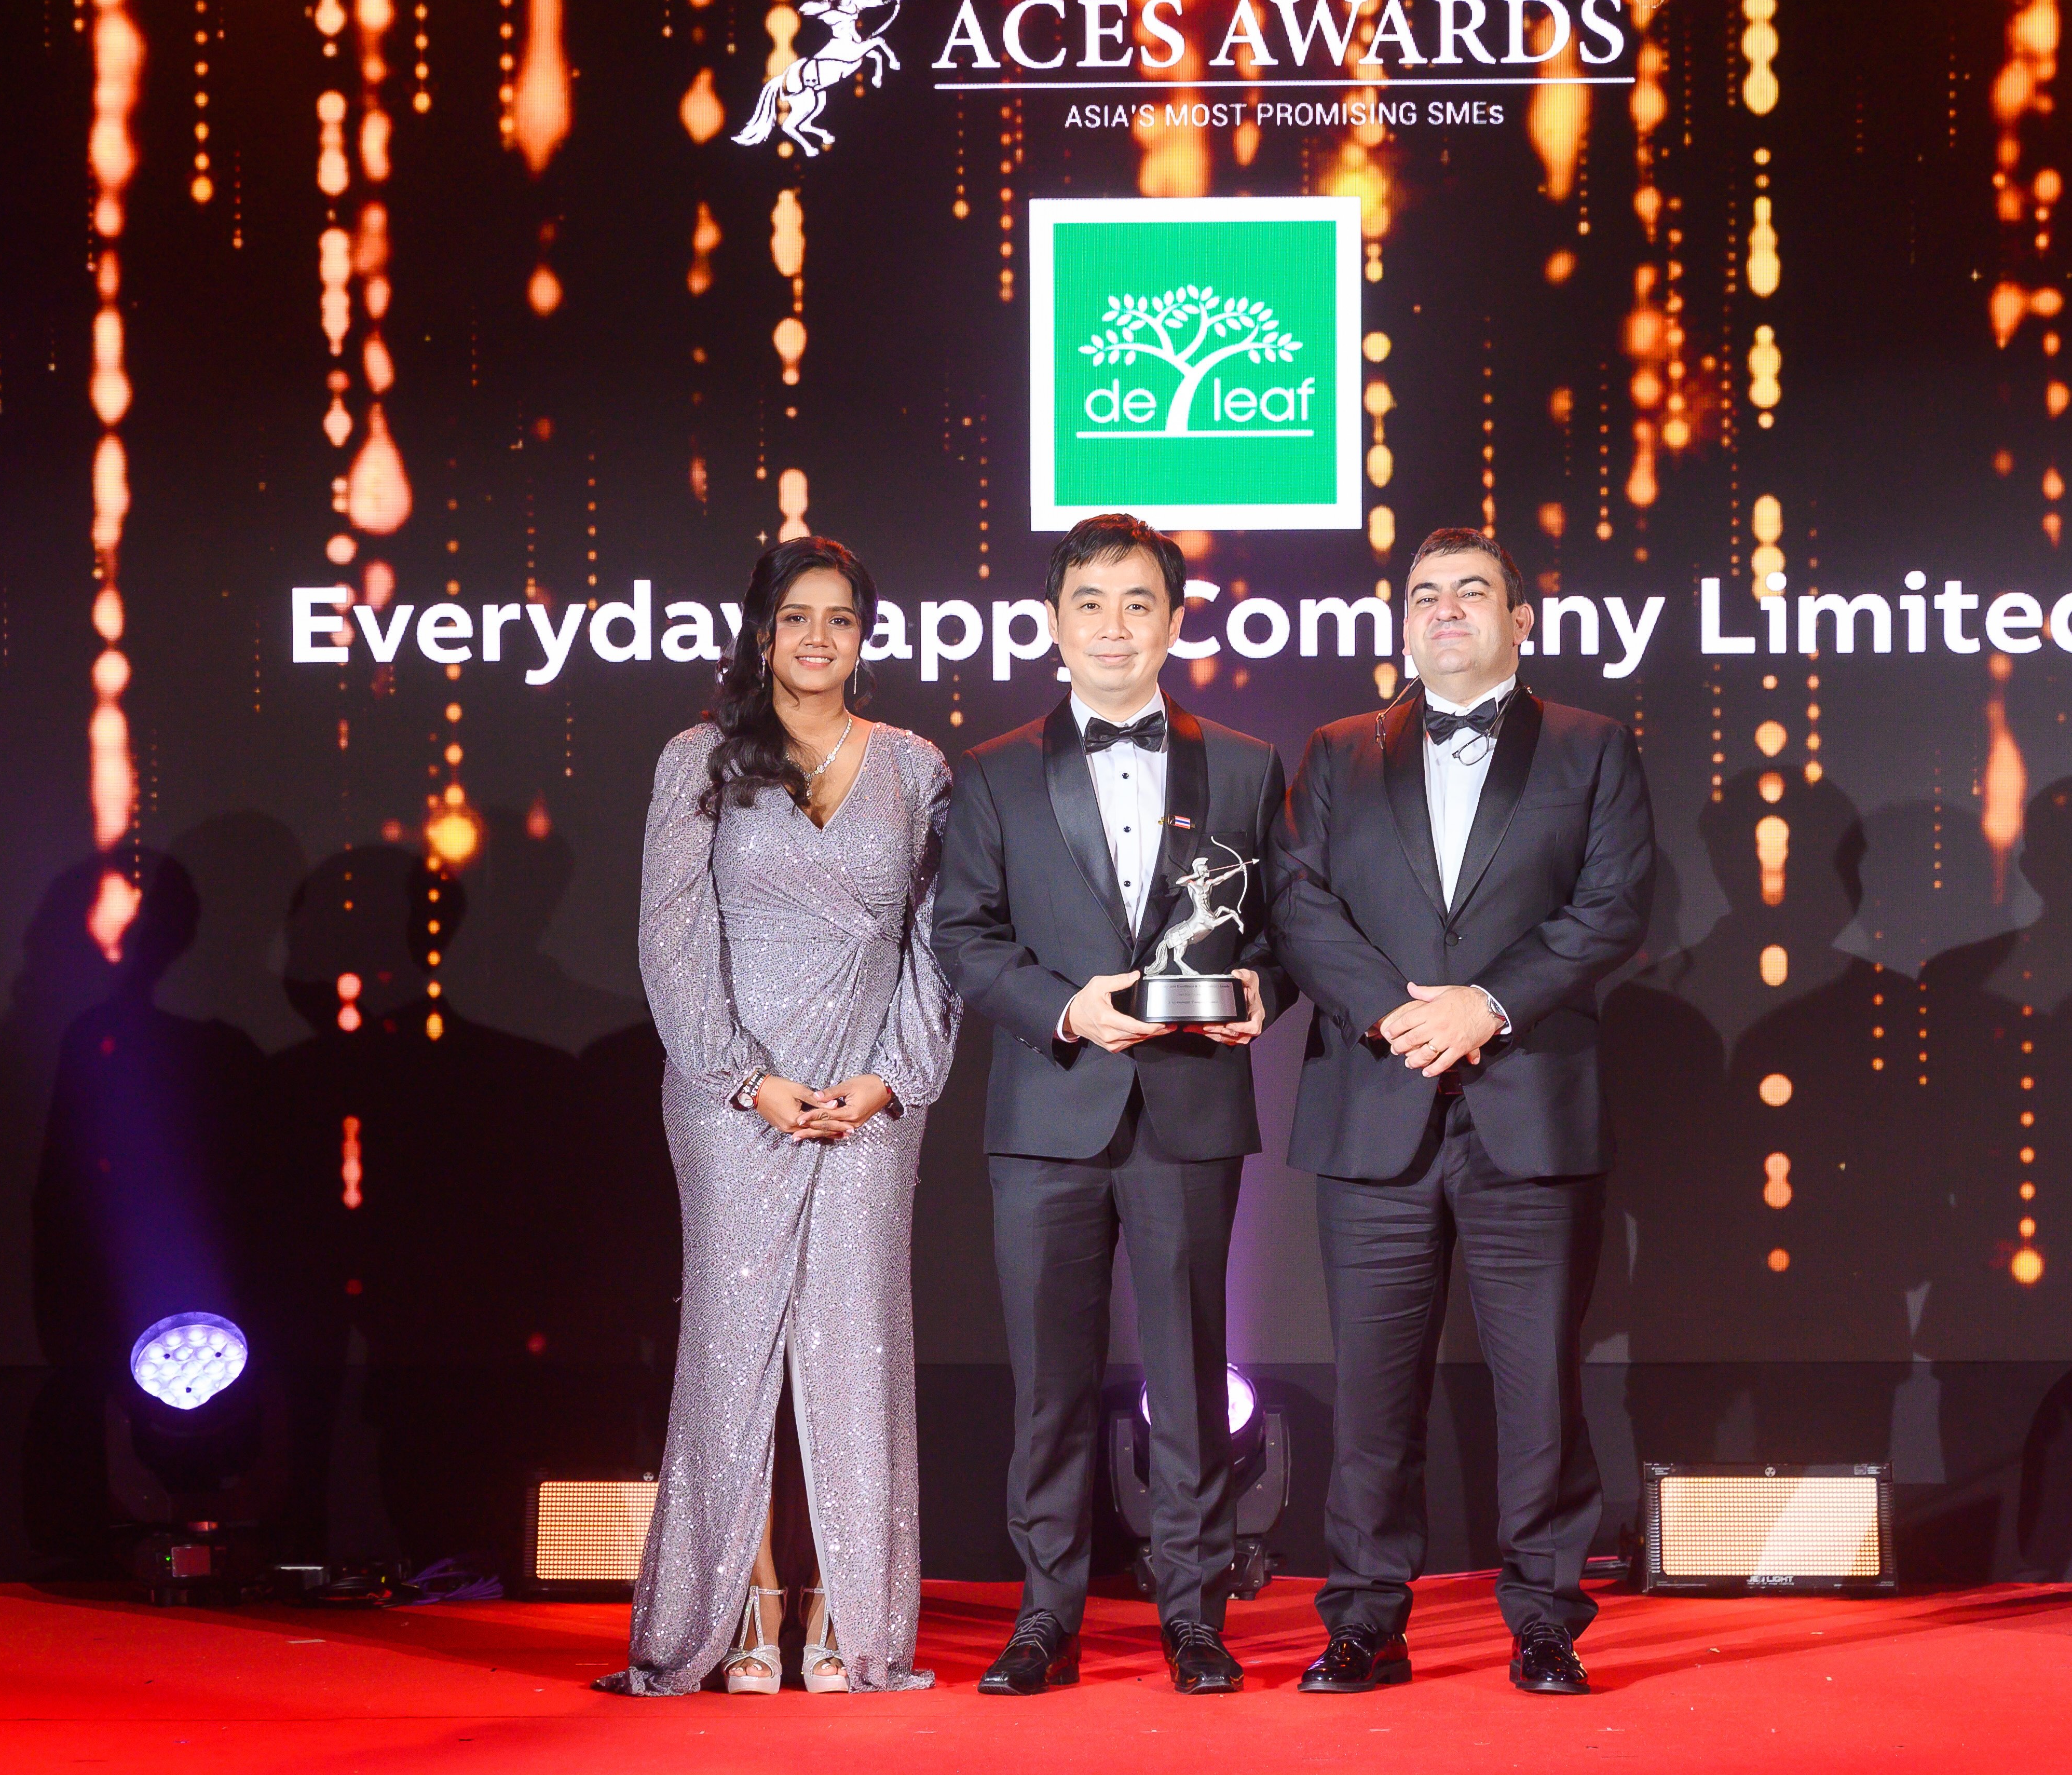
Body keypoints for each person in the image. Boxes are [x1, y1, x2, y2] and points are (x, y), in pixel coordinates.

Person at [1272, 526, 1655, 1696]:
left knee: (1539, 1381)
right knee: (1373, 1388)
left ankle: (1545, 1619)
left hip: (1527, 1109)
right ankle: (1364, 1621)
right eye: (1424, 594)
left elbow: (1612, 907)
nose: (1445, 610)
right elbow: (1300, 906)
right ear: (1401, 622)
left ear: (1519, 617)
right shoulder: (1338, 750)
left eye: (1470, 592)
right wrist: (1400, 1015)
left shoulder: (1592, 747)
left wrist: (1487, 1004)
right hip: (1374, 1102)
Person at [932, 513, 1294, 1697]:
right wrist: (1068, 1009)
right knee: (1049, 1376)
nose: (1114, 625)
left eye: (1139, 602)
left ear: (1176, 621)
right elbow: (965, 936)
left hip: (1191, 1105)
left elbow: (1290, 932)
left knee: (1190, 1372)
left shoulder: (1243, 764)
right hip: (1049, 1108)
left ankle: (1194, 1610)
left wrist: (1262, 991)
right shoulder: (988, 770)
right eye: (1090, 602)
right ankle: (1046, 1613)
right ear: (1053, 622)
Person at [596, 537, 959, 1696]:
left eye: (841, 618)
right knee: (730, 1346)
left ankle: (851, 1622)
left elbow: (939, 946)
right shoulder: (698, 759)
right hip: (728, 1098)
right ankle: (742, 1610)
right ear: (762, 629)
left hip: (870, 1092)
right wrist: (744, 1076)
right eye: (796, 616)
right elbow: (670, 934)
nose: (818, 637)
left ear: (866, 634)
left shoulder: (916, 767)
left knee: (858, 1344)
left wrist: (892, 1075)